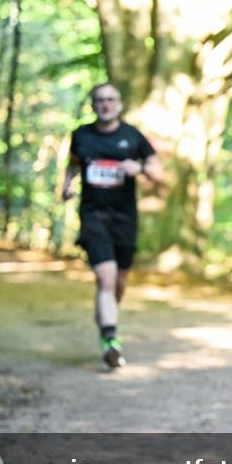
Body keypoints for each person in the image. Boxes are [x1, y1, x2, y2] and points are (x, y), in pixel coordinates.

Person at [62, 83, 164, 369]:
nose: (105, 104)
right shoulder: (81, 136)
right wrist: (67, 186)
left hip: (124, 219)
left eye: (110, 99)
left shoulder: (133, 137)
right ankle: (110, 340)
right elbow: (73, 165)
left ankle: (107, 318)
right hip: (94, 217)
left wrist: (140, 169)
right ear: (93, 105)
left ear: (119, 104)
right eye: (99, 100)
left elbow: (160, 174)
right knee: (105, 279)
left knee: (118, 283)